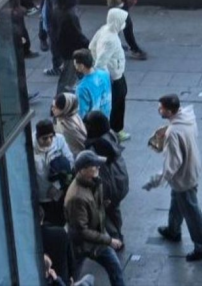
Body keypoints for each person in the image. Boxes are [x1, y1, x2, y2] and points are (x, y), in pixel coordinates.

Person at [143, 93, 202, 262]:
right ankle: (173, 229)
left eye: (161, 108)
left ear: (169, 111)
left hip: (184, 176)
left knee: (191, 210)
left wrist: (154, 181)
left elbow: (173, 164)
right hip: (192, 168)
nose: (159, 110)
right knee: (177, 199)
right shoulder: (187, 118)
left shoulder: (173, 133)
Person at [64, 150, 126, 286]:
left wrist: (101, 204)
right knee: (72, 276)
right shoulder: (77, 197)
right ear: (82, 170)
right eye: (94, 165)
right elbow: (82, 231)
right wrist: (109, 240)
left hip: (95, 238)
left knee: (115, 268)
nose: (98, 167)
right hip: (81, 244)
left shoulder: (94, 181)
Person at [82, 111, 130, 242]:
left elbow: (99, 171)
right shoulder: (111, 135)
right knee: (115, 210)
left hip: (109, 189)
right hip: (121, 182)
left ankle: (115, 239)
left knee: (104, 213)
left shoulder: (94, 147)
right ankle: (118, 233)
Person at [88, 9, 131, 142]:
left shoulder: (104, 29)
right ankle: (116, 130)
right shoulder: (111, 40)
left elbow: (92, 46)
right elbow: (101, 62)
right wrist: (107, 76)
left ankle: (113, 129)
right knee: (118, 102)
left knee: (117, 99)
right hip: (114, 76)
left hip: (114, 73)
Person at [34, 119, 75, 227]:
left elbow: (70, 162)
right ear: (38, 137)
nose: (49, 141)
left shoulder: (59, 140)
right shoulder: (31, 149)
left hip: (58, 192)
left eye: (51, 137)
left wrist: (57, 186)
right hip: (42, 197)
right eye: (44, 138)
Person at [73, 49, 112, 119]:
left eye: (75, 65)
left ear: (81, 66)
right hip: (106, 117)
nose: (75, 67)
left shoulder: (82, 88)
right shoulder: (105, 74)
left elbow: (82, 113)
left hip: (92, 122)